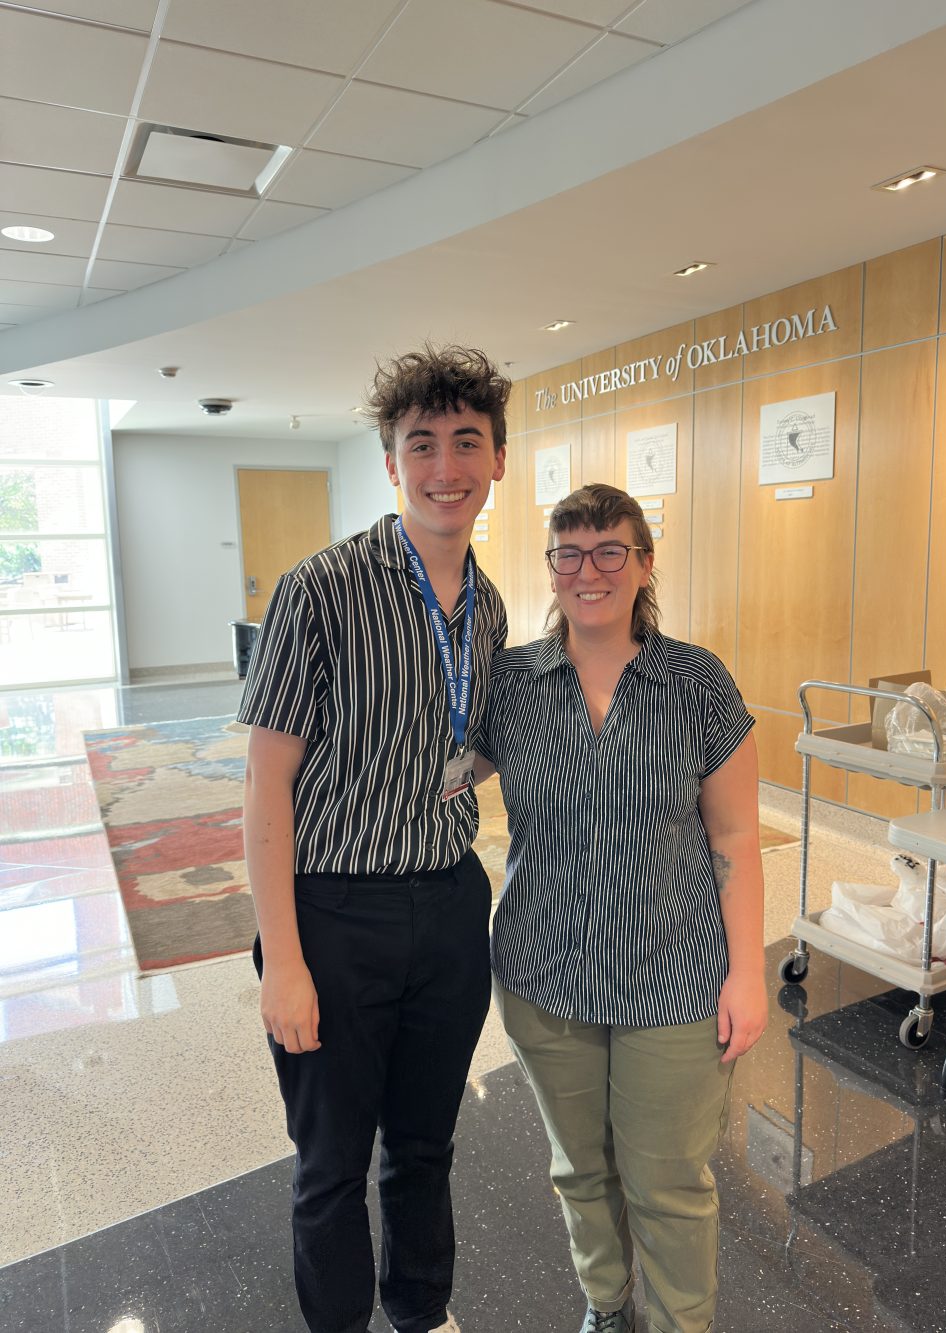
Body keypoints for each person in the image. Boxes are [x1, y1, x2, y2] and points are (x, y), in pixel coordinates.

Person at [238, 345, 510, 1333]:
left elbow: (459, 750)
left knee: (425, 1149)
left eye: (466, 441)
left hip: (446, 905)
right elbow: (267, 782)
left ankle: (422, 1313)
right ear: (392, 462)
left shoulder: (491, 609)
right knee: (329, 1166)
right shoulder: (320, 589)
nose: (446, 465)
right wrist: (284, 961)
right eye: (421, 444)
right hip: (332, 909)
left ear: (499, 460)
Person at [477, 483, 767, 1333]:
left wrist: (747, 973)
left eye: (611, 550)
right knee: (579, 1168)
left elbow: (738, 842)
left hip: (673, 981)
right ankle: (607, 1304)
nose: (588, 569)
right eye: (568, 552)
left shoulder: (696, 683)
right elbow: (437, 770)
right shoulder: (512, 683)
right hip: (544, 973)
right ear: (551, 568)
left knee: (669, 1181)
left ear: (644, 564)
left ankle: (683, 1322)